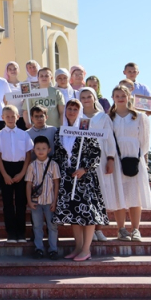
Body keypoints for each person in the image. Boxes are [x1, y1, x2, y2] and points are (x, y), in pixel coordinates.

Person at [53, 99, 109, 261]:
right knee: (73, 214)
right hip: (68, 178)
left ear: (80, 112)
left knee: (88, 214)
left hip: (84, 178)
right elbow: (58, 154)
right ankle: (78, 248)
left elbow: (95, 153)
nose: (71, 111)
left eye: (75, 109)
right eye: (69, 108)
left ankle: (86, 249)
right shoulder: (60, 131)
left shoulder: (86, 129)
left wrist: (84, 169)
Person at [109, 85, 151, 242]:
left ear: (129, 96)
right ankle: (121, 229)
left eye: (123, 95)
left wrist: (137, 156)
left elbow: (145, 141)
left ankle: (135, 229)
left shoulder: (139, 116)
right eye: (117, 95)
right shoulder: (109, 117)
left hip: (134, 158)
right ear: (113, 97)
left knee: (135, 196)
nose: (120, 98)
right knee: (118, 195)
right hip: (115, 159)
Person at [79, 87, 120, 243]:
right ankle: (87, 230)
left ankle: (99, 229)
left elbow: (110, 138)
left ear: (94, 98)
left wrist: (110, 158)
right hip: (83, 160)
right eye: (83, 97)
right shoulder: (77, 116)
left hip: (100, 158)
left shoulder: (103, 117)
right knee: (87, 194)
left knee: (100, 193)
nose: (86, 99)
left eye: (89, 96)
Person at [0, 105, 34, 243]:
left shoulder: (24, 134)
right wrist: (4, 175)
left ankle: (21, 233)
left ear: (18, 117)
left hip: (21, 169)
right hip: (6, 169)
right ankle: (11, 233)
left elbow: (28, 155)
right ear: (2, 118)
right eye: (7, 116)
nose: (10, 119)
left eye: (13, 116)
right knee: (8, 203)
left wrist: (22, 173)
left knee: (21, 203)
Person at [25, 136, 61, 259]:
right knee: (37, 226)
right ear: (34, 150)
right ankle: (39, 248)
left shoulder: (53, 165)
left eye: (43, 148)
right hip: (36, 202)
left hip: (50, 201)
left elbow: (56, 183)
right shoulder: (31, 166)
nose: (41, 151)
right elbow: (29, 184)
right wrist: (29, 201)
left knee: (52, 226)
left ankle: (53, 249)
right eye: (38, 148)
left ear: (49, 149)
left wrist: (55, 201)